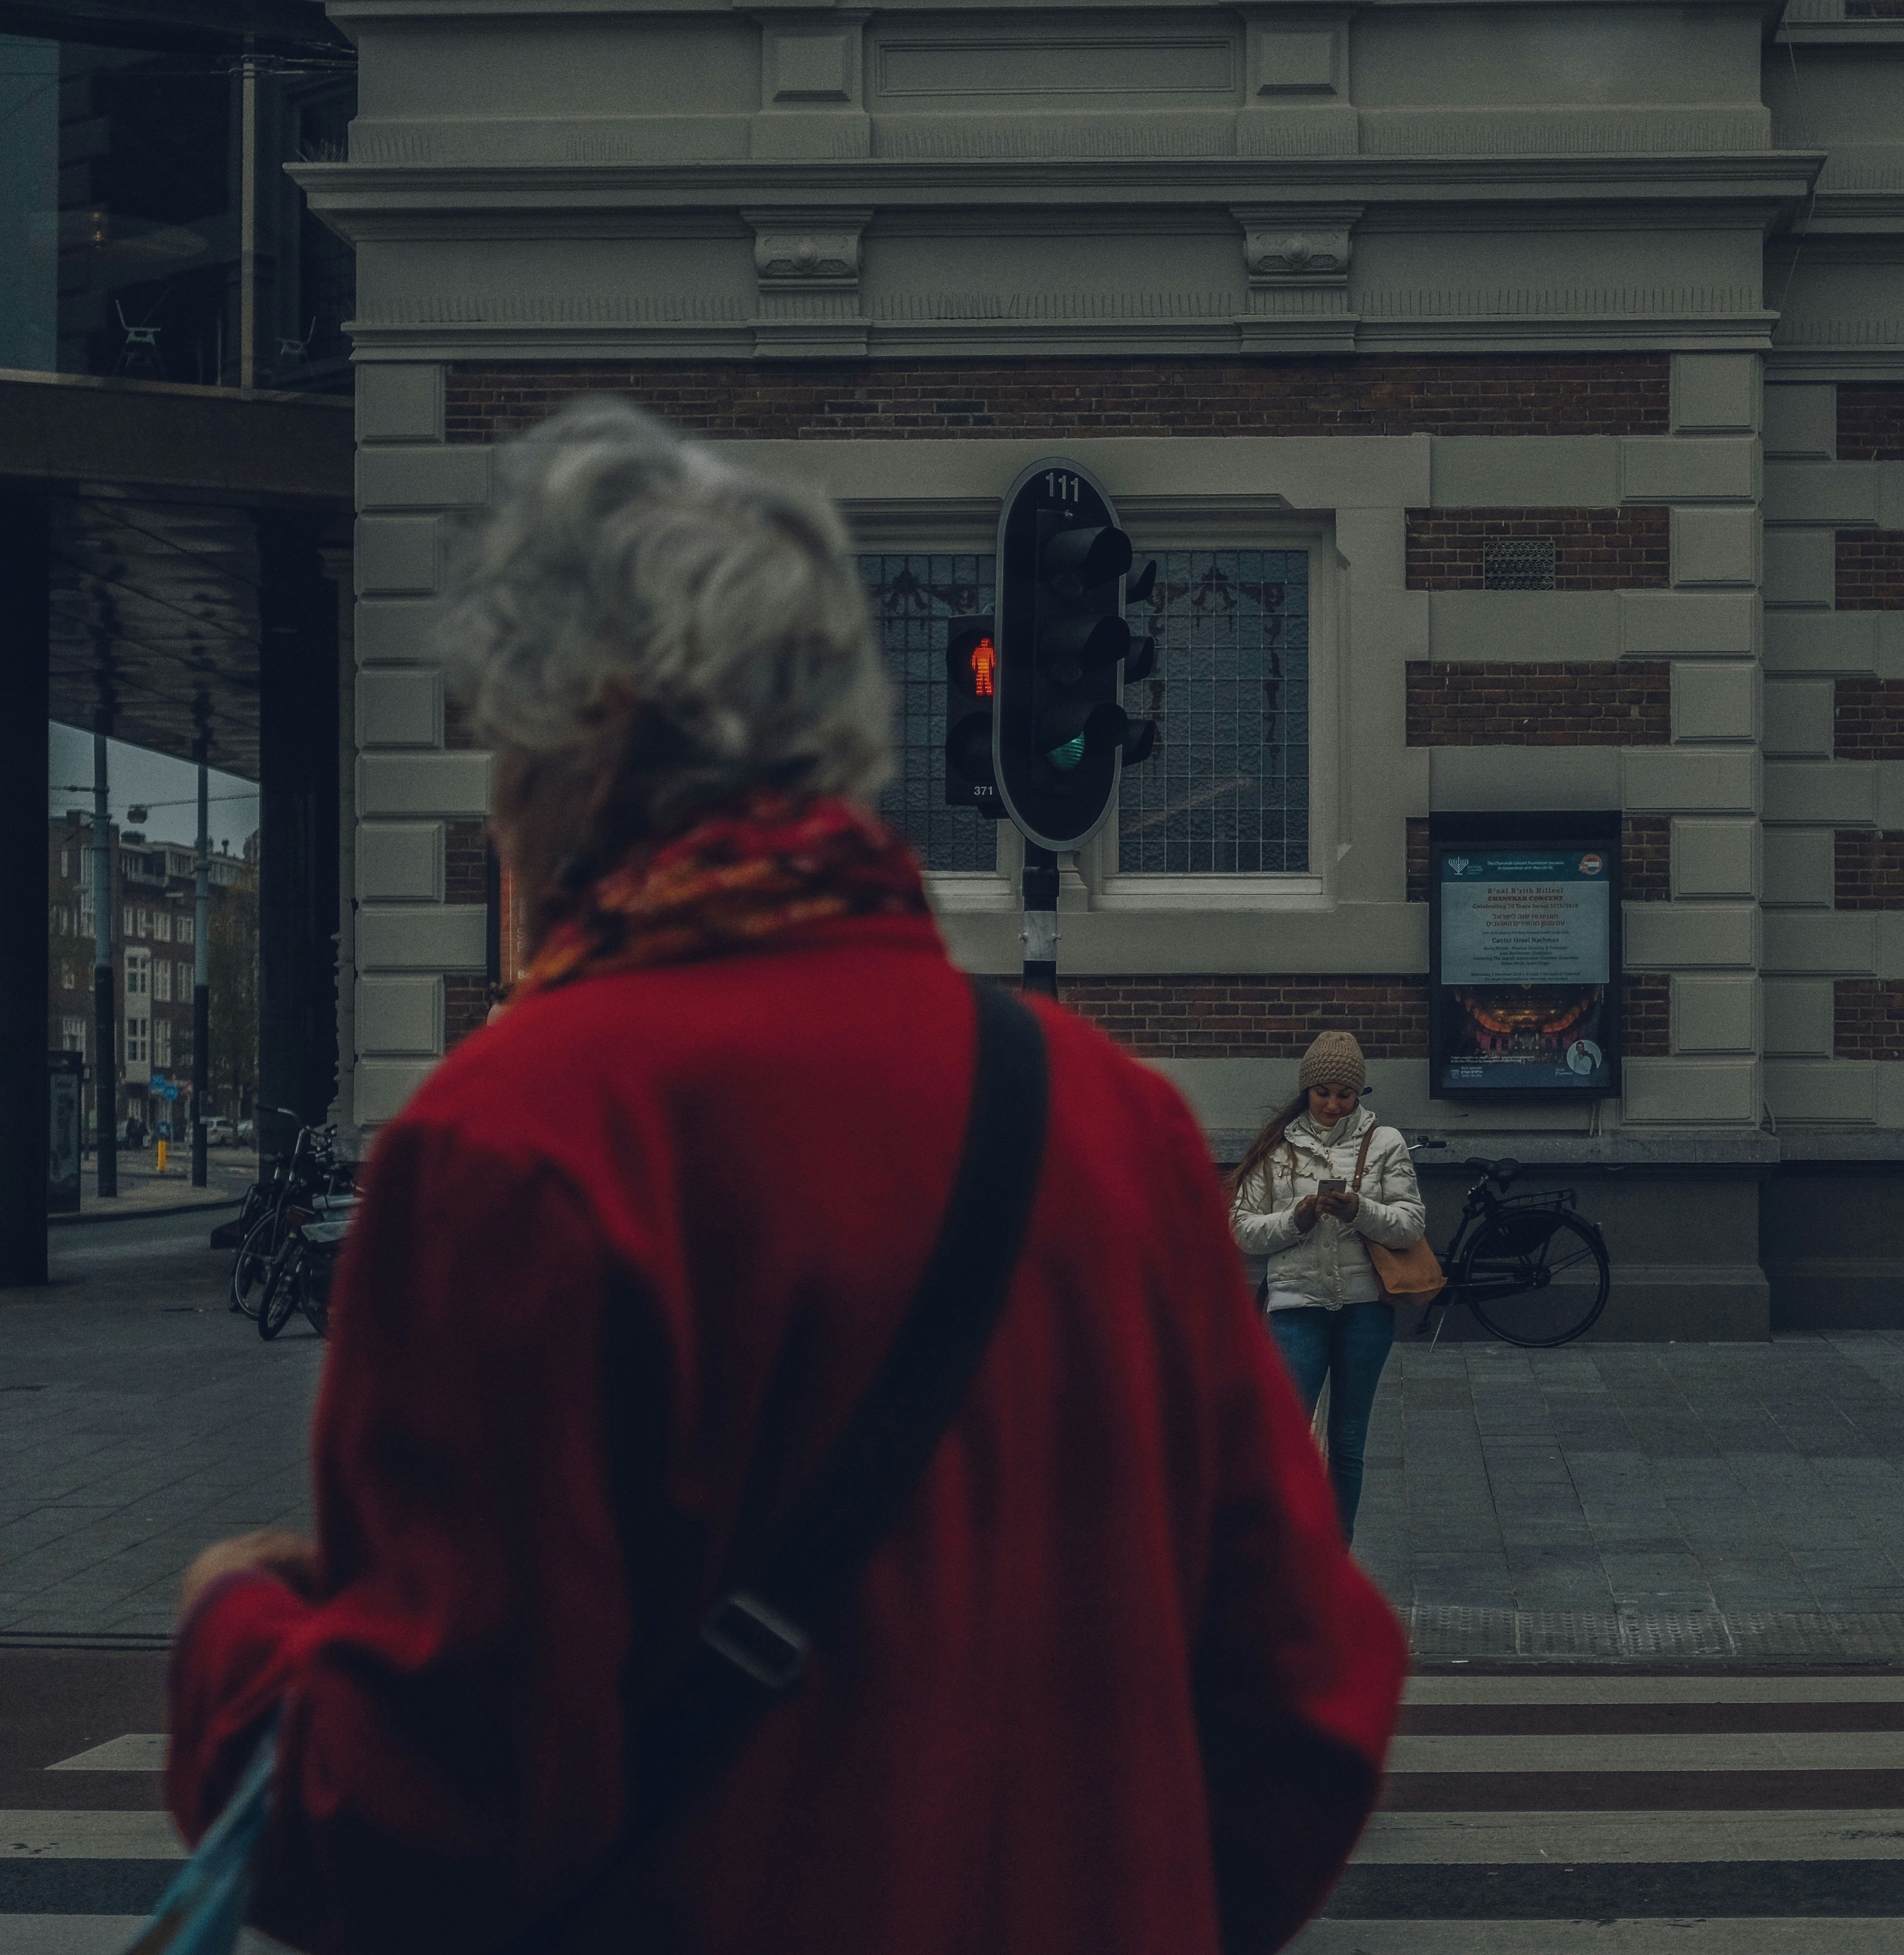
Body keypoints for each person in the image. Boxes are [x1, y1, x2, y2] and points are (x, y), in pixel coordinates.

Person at [162, 399, 1406, 1955]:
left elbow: (419, 1824)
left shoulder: (516, 1147)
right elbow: (1305, 1693)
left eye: (499, 743)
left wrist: (230, 1636)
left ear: (573, 741)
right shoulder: (1111, 1122)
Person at [1228, 1031, 1427, 1542]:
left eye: (1345, 1094)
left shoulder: (1385, 1143)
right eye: (1323, 1093)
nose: (1334, 1105)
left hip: (1366, 1309)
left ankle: (1336, 1560)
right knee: (1286, 1441)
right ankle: (1287, 1555)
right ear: (1306, 1091)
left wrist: (1359, 1209)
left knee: (1348, 1441)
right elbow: (1244, 1229)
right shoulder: (1278, 1147)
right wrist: (1298, 1218)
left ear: (1359, 1094)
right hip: (1297, 1307)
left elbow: (1409, 1225)